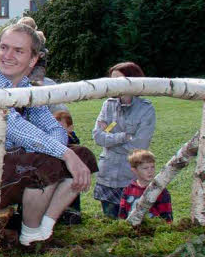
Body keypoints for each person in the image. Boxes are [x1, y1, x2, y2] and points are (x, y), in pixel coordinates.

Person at [0, 22, 97, 246]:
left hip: (2, 168)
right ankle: (31, 237)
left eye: (18, 50)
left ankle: (42, 229)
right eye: (4, 47)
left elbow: (53, 126)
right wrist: (64, 155)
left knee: (83, 155)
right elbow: (15, 127)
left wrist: (61, 155)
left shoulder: (24, 87)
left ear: (33, 59)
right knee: (51, 163)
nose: (8, 55)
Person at [92, 61, 156, 219]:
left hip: (130, 176)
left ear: (133, 81)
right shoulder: (108, 105)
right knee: (109, 223)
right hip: (107, 175)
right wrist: (124, 136)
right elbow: (98, 137)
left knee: (131, 223)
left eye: (118, 80)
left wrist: (111, 141)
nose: (113, 85)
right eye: (111, 80)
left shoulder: (146, 109)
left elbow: (139, 146)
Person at [118, 149, 172, 223]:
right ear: (134, 170)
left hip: (153, 230)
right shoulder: (128, 189)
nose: (150, 171)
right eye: (145, 168)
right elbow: (122, 214)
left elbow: (167, 217)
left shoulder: (161, 191)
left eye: (152, 167)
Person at [53, 111, 82, 224]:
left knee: (71, 193)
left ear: (70, 128)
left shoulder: (71, 140)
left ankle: (73, 214)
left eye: (61, 128)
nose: (58, 132)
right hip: (59, 174)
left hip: (70, 174)